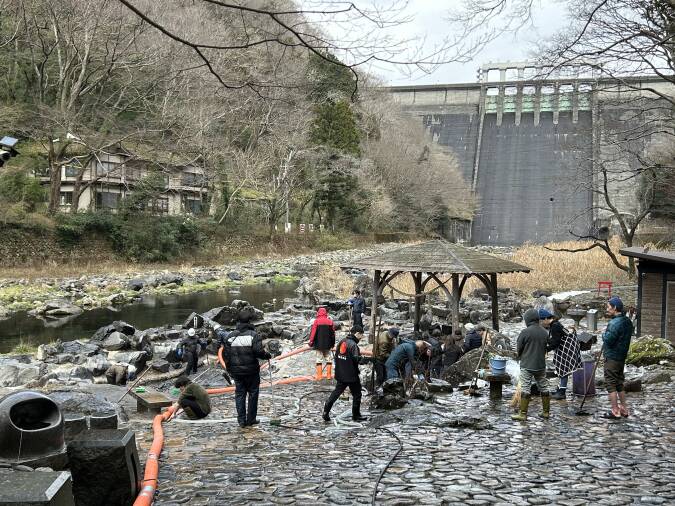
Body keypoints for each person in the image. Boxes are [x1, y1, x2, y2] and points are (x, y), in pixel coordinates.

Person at [220, 315, 272, 428]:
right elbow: (258, 351)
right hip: (251, 371)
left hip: (236, 372)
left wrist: (229, 369)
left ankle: (241, 420)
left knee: (240, 394)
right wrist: (267, 355)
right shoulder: (253, 335)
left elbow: (226, 355)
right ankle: (251, 419)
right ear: (249, 321)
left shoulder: (230, 336)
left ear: (238, 322)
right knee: (253, 394)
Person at [323, 325, 367, 422]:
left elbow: (336, 357)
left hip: (341, 374)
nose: (361, 338)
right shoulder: (353, 345)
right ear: (357, 333)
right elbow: (357, 359)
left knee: (336, 393)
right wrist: (366, 360)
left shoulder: (342, 341)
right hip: (351, 375)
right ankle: (356, 416)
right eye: (361, 335)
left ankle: (326, 411)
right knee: (357, 394)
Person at [512, 308, 550, 421]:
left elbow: (519, 348)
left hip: (527, 365)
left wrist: (520, 356)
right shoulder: (544, 332)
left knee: (525, 388)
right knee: (544, 387)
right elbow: (546, 347)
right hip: (540, 365)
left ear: (527, 320)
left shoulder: (525, 332)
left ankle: (523, 414)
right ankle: (546, 412)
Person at [602, 296, 634, 419]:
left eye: (608, 307)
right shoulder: (627, 321)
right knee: (619, 383)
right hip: (621, 357)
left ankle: (615, 411)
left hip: (612, 357)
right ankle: (624, 409)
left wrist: (603, 334)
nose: (607, 309)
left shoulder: (614, 323)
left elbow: (609, 340)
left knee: (610, 383)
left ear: (615, 308)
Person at [540, 308, 581, 400]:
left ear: (546, 318)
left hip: (566, 349)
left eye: (542, 320)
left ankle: (562, 393)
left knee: (563, 370)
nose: (541, 323)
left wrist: (546, 349)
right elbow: (556, 338)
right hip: (566, 348)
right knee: (561, 370)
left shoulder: (555, 326)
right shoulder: (555, 324)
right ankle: (559, 390)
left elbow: (556, 342)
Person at [308, 307, 336, 380]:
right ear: (325, 313)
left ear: (318, 313)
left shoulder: (316, 321)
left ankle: (319, 376)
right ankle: (329, 376)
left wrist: (311, 342)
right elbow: (333, 334)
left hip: (318, 344)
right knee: (328, 359)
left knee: (319, 359)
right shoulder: (330, 321)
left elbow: (313, 333)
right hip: (328, 344)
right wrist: (333, 344)